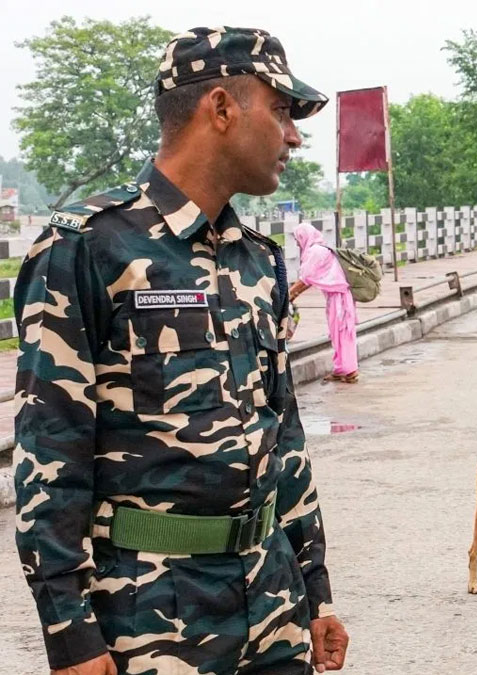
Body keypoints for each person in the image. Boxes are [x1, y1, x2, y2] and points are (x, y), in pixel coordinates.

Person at [12, 27, 348, 675]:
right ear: (221, 108)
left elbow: (284, 435)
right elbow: (49, 453)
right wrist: (70, 633)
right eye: (281, 111)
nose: (294, 137)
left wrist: (315, 588)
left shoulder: (258, 260)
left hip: (272, 599)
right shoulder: (88, 247)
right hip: (151, 612)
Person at [288, 222, 360, 383]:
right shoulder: (320, 249)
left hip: (339, 297)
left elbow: (305, 278)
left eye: (298, 239)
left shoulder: (315, 252)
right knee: (338, 333)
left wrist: (289, 295)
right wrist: (293, 294)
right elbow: (309, 279)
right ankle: (341, 369)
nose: (297, 243)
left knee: (342, 333)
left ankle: (349, 370)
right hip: (338, 296)